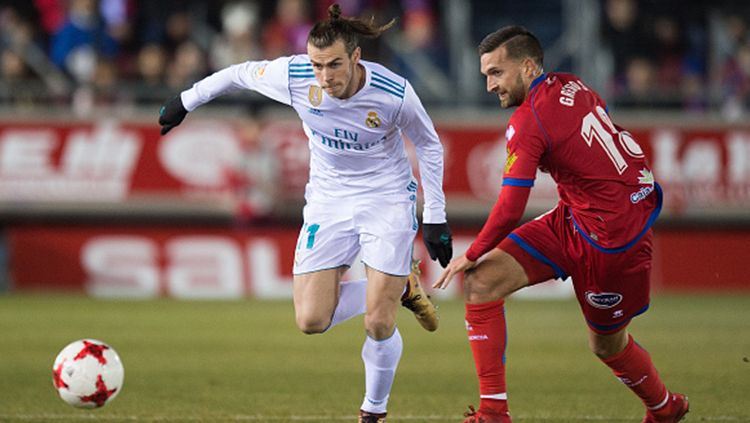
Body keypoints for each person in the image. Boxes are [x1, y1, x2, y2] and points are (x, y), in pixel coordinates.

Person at [158, 4, 453, 422]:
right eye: (317, 65)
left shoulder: (394, 91)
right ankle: (400, 286)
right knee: (311, 319)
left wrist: (435, 215)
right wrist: (185, 101)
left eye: (334, 65)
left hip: (386, 198)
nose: (325, 77)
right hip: (328, 199)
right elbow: (238, 73)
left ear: (355, 58)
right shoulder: (296, 77)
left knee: (378, 321)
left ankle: (373, 410)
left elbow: (428, 144)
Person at [433, 26, 688, 423]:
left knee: (606, 346)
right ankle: (493, 412)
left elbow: (511, 207)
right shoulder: (571, 84)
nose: (489, 85)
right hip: (576, 216)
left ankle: (664, 407)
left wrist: (472, 251)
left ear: (528, 66)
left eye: (497, 73)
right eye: (486, 75)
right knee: (482, 283)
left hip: (614, 239)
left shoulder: (529, 120)